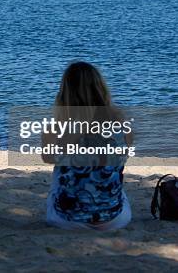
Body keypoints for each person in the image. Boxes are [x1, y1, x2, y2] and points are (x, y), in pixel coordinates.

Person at [42, 61, 132, 231]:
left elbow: (47, 158)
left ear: (65, 93)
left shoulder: (56, 128)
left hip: (68, 221)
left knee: (59, 169)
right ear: (101, 89)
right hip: (115, 220)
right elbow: (125, 153)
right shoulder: (120, 122)